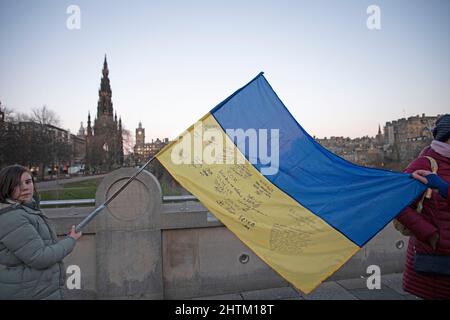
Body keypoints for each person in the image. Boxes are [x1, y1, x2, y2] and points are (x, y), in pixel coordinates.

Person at [0, 164, 82, 299]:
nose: (25, 187)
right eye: (17, 184)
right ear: (6, 187)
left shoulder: (27, 210)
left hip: (37, 289)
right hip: (29, 291)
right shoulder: (12, 217)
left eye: (28, 182)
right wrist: (70, 241)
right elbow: (40, 258)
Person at [396, 114, 450, 300]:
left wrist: (444, 189)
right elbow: (398, 203)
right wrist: (430, 234)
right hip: (437, 258)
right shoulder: (426, 163)